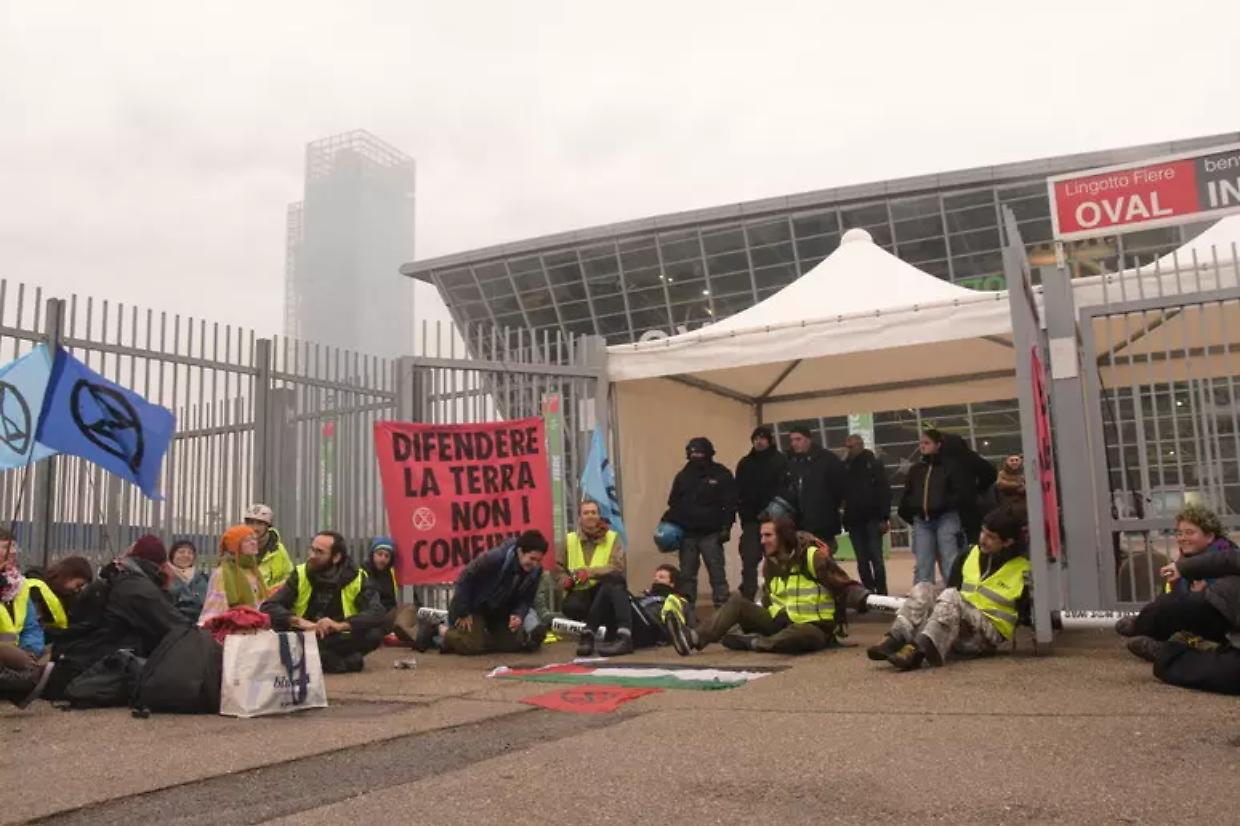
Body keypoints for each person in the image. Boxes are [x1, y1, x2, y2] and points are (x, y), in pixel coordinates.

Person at [868, 507, 1030, 670]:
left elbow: (1028, 613)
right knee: (924, 588)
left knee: (952, 595)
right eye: (983, 532)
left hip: (987, 636)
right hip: (958, 627)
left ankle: (919, 650)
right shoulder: (968, 554)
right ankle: (895, 638)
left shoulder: (1024, 569)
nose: (983, 539)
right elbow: (949, 594)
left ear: (1008, 542)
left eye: (991, 537)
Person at [40, 535, 190, 702]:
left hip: (79, 660)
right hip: (92, 667)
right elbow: (175, 626)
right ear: (159, 564)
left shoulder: (119, 577)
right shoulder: (136, 586)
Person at [695, 513, 869, 654]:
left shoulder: (812, 556)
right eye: (761, 535)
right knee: (736, 603)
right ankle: (695, 637)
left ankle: (754, 642)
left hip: (815, 627)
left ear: (783, 536)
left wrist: (863, 598)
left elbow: (843, 584)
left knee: (797, 635)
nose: (762, 541)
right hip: (781, 623)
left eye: (768, 535)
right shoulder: (770, 564)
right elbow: (768, 598)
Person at [1117, 505, 1238, 652]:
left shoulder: (1225, 557)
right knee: (1165, 604)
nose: (1182, 538)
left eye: (1189, 533)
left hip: (1223, 624)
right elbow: (1166, 596)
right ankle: (1151, 633)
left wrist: (1205, 591)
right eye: (1179, 533)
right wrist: (1171, 585)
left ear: (1209, 537)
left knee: (1172, 608)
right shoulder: (1184, 561)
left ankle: (1147, 632)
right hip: (1191, 622)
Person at [261, 530, 386, 673]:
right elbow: (269, 606)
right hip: (305, 634)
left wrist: (339, 625)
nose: (312, 556)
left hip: (338, 636)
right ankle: (346, 663)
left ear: (336, 557)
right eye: (312, 550)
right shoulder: (300, 573)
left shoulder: (357, 577)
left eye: (319, 552)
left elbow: (377, 611)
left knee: (374, 634)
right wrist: (302, 623)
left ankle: (321, 660)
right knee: (277, 626)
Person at [438, 531, 549, 656]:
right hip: (474, 607)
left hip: (499, 610)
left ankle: (471, 639)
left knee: (512, 644)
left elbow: (526, 599)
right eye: (532, 558)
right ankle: (441, 631)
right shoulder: (495, 558)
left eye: (538, 560)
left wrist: (518, 614)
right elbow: (465, 577)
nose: (535, 564)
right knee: (473, 646)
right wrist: (464, 611)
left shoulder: (536, 571)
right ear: (520, 551)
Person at [663, 436, 737, 612]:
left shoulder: (721, 474)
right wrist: (667, 524)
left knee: (717, 576)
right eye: (693, 452)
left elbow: (731, 504)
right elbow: (674, 503)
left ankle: (724, 615)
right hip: (687, 534)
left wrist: (727, 527)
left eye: (699, 452)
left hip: (712, 533)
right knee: (687, 577)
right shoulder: (683, 476)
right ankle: (688, 615)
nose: (696, 455)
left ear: (709, 453)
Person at [576, 563, 695, 657]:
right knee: (607, 585)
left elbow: (691, 625)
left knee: (616, 582)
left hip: (651, 630)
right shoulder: (645, 596)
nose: (656, 579)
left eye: (661, 577)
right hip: (635, 622)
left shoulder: (676, 599)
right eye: (655, 576)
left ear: (672, 583)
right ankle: (588, 635)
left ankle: (624, 638)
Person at [899, 428, 968, 585]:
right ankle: (922, 599)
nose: (922, 446)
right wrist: (913, 511)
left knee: (949, 559)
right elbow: (908, 493)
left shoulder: (951, 467)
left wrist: (945, 505)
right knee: (923, 562)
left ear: (938, 445)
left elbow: (960, 492)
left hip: (947, 518)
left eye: (927, 443)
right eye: (921, 443)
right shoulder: (916, 469)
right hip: (922, 520)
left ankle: (953, 595)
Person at [555, 500, 628, 639]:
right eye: (586, 513)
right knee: (571, 606)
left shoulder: (613, 538)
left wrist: (589, 572)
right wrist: (565, 581)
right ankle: (595, 629)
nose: (590, 516)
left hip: (604, 591)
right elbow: (558, 567)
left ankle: (594, 630)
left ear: (599, 516)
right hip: (579, 592)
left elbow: (617, 567)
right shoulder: (569, 540)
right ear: (579, 518)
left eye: (593, 512)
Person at [735, 426, 788, 601]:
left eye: (762, 438)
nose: (759, 441)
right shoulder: (745, 463)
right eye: (756, 438)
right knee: (749, 559)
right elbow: (738, 491)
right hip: (751, 520)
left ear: (769, 440)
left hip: (775, 520)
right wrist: (744, 514)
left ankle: (777, 596)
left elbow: (786, 489)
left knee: (777, 560)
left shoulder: (781, 461)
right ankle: (748, 597)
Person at [782, 425, 847, 551]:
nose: (794, 443)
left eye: (798, 439)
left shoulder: (827, 460)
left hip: (823, 522)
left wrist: (829, 507)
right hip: (799, 523)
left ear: (808, 439)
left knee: (823, 561)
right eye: (792, 440)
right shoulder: (791, 462)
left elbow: (839, 488)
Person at [843, 433, 891, 595]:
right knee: (862, 560)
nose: (849, 450)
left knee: (877, 559)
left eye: (852, 446)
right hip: (854, 521)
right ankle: (869, 591)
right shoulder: (845, 467)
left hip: (873, 519)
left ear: (861, 445)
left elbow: (884, 491)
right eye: (847, 446)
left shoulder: (874, 464)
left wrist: (884, 517)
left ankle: (882, 592)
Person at [199, 525, 269, 625]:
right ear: (235, 545)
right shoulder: (222, 573)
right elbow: (216, 609)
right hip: (231, 628)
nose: (253, 543)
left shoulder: (254, 570)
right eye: (247, 540)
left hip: (256, 626)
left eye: (254, 539)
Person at [940, 432, 998, 547]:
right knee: (973, 537)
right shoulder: (970, 457)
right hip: (971, 504)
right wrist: (979, 488)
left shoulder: (941, 461)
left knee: (950, 544)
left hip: (948, 506)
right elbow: (990, 473)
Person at [22, 556, 94, 645]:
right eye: (78, 585)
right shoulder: (36, 590)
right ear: (68, 577)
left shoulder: (67, 596)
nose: (76, 590)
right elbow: (33, 625)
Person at [362, 536, 419, 643]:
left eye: (387, 556)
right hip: (368, 616)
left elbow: (410, 595)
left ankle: (407, 634)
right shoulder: (362, 572)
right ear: (372, 555)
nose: (383, 559)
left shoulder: (393, 573)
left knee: (409, 606)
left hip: (387, 616)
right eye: (379, 554)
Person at [243, 503, 294, 591]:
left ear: (268, 526)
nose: (254, 527)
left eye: (260, 523)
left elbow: (289, 579)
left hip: (270, 601)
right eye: (250, 523)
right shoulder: (237, 548)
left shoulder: (278, 550)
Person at [168, 540, 209, 622]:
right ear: (172, 555)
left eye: (190, 553)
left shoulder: (202, 578)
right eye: (181, 552)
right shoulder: (163, 576)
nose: (186, 555)